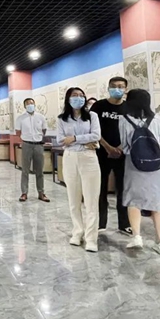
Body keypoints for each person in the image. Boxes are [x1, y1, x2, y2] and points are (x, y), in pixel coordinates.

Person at [119, 89, 160, 255]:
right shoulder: (157, 119)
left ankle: (137, 237)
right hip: (155, 164)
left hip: (133, 163)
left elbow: (125, 144)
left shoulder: (124, 119)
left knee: (134, 201)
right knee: (157, 202)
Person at [57, 87, 102, 253]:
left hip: (88, 157)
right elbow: (61, 140)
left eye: (81, 95)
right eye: (75, 95)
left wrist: (75, 138)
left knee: (91, 200)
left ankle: (91, 238)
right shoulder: (62, 118)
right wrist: (83, 140)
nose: (79, 98)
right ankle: (77, 232)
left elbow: (96, 136)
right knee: (73, 199)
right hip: (70, 158)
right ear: (68, 99)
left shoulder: (92, 116)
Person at [89, 77, 132, 235]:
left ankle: (124, 223)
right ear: (108, 88)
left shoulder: (129, 107)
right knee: (100, 188)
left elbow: (132, 130)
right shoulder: (99, 106)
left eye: (121, 86)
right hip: (101, 153)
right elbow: (93, 129)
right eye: (113, 86)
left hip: (123, 154)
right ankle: (101, 223)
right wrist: (108, 147)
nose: (117, 89)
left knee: (123, 189)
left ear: (126, 89)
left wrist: (119, 147)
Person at [15, 97, 50, 203]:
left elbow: (44, 130)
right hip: (26, 144)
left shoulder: (41, 117)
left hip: (38, 145)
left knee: (39, 171)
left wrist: (38, 137)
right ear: (25, 106)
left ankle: (41, 193)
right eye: (27, 104)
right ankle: (24, 193)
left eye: (31, 103)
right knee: (25, 170)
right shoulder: (20, 118)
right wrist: (25, 138)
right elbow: (18, 132)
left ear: (34, 104)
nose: (30, 105)